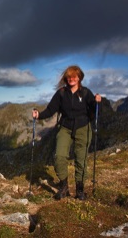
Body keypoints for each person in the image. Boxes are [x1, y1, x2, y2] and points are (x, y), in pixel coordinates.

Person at [32, 65, 101, 200]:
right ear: (65, 78)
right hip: (65, 127)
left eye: (74, 76)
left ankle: (80, 190)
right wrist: (38, 115)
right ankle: (64, 187)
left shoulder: (86, 93)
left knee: (81, 159)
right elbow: (51, 110)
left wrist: (98, 102)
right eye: (69, 77)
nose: (71, 79)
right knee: (59, 156)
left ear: (79, 77)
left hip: (83, 128)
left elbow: (95, 109)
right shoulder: (61, 93)